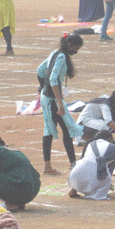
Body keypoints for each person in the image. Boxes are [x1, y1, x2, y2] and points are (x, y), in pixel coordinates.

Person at [37, 33, 84, 174]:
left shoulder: (54, 53)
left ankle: (48, 166)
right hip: (52, 100)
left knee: (49, 130)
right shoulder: (62, 57)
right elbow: (53, 79)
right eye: (76, 48)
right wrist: (59, 101)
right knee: (67, 129)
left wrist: (41, 88)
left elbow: (40, 70)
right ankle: (73, 163)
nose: (76, 52)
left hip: (46, 97)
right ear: (70, 45)